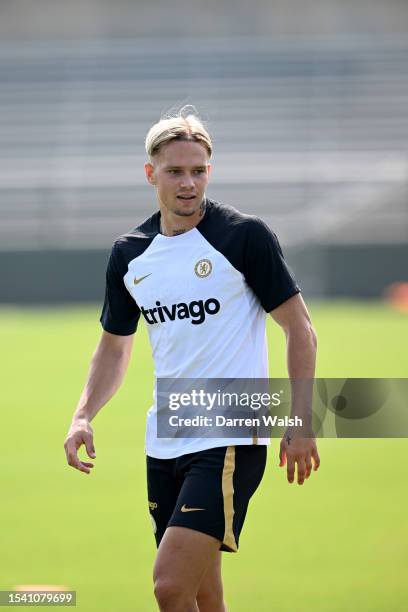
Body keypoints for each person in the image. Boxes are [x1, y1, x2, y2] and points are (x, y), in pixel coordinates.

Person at [64, 109, 320, 612]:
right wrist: (82, 414)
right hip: (166, 434)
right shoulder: (130, 254)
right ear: (150, 174)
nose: (189, 183)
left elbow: (299, 328)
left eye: (199, 171)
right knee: (204, 592)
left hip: (230, 431)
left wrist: (301, 418)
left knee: (169, 586)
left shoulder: (244, 236)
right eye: (176, 171)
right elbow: (115, 346)